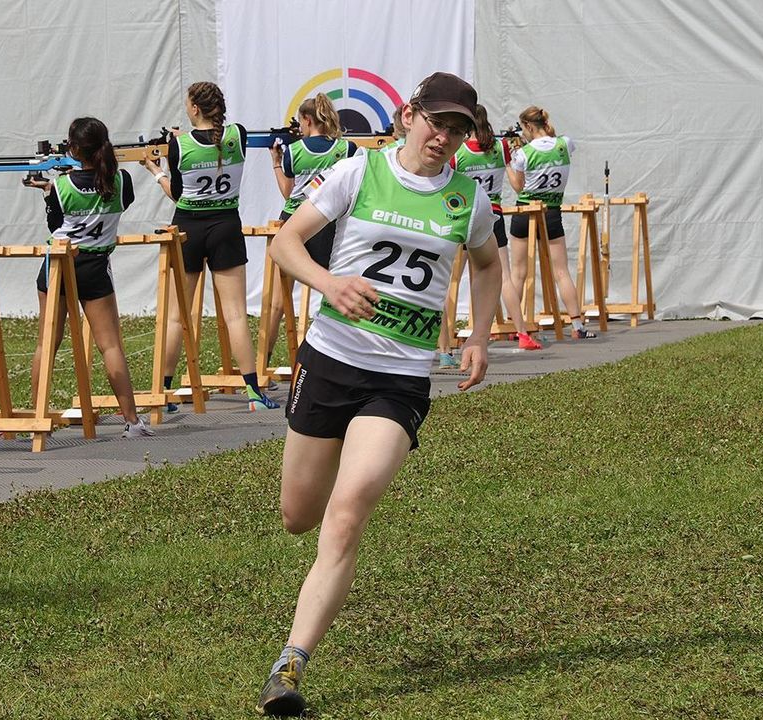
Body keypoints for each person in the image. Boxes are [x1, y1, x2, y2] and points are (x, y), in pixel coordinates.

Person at [255, 72, 502, 717]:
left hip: (399, 380)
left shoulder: (468, 199)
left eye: (458, 129)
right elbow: (283, 244)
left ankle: (289, 665)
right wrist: (328, 283)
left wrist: (479, 335)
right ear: (410, 115)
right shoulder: (357, 173)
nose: (444, 138)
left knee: (347, 510)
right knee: (299, 515)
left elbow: (487, 262)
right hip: (332, 361)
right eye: (436, 123)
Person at [142, 81, 280, 411]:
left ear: (194, 109)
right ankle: (252, 393)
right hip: (226, 226)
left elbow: (177, 193)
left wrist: (155, 171)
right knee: (235, 315)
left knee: (177, 316)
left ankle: (164, 392)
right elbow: (218, 139)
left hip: (189, 227)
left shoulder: (180, 145)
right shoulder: (238, 134)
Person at [27, 117, 154, 439]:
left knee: (47, 344)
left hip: (58, 264)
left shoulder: (62, 186)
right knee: (110, 346)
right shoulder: (120, 181)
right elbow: (121, 200)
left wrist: (48, 192)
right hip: (95, 265)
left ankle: (36, 421)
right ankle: (132, 421)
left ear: (73, 148)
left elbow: (55, 226)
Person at [439, 103, 542, 368]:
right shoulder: (501, 147)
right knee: (502, 276)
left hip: (461, 216)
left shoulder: (459, 152)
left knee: (451, 281)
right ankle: (521, 333)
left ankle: (446, 346)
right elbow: (518, 185)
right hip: (491, 215)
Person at [262, 93, 359, 363]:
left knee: (279, 300)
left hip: (294, 220)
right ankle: (339, 355)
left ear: (306, 120)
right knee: (332, 288)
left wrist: (276, 161)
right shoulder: (346, 149)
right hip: (327, 222)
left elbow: (288, 192)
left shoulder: (294, 151)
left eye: (302, 124)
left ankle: (264, 363)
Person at [506, 105, 596, 339]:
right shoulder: (565, 143)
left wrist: (510, 160)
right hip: (552, 211)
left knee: (518, 273)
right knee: (562, 272)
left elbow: (519, 186)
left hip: (525, 210)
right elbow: (553, 144)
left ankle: (514, 327)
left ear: (527, 126)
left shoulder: (524, 153)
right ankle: (578, 326)